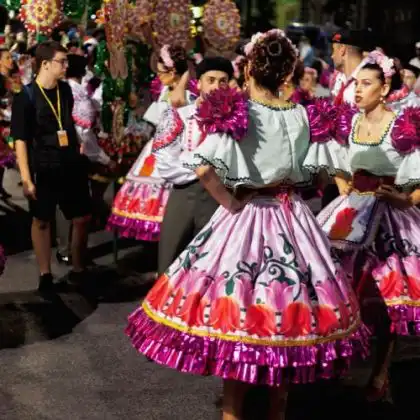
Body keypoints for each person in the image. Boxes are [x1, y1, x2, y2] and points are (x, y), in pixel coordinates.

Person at [126, 29, 369, 420]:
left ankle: (233, 412)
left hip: (247, 217)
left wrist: (231, 202)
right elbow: (323, 175)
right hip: (293, 220)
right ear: (288, 71)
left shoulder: (239, 112)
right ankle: (275, 412)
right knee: (287, 326)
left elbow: (203, 167)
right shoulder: (304, 114)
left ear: (252, 68)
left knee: (237, 321)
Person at [304, 50, 420, 401]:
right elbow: (338, 164)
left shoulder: (404, 125)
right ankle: (336, 367)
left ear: (384, 90)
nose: (357, 90)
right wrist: (345, 190)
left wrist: (403, 199)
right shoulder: (349, 122)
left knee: (387, 302)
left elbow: (416, 181)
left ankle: (381, 372)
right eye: (356, 83)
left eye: (366, 84)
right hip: (351, 214)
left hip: (391, 217)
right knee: (336, 291)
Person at [11, 41, 91, 291]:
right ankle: (45, 274)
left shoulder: (65, 90)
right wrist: (26, 178)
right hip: (44, 167)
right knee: (42, 220)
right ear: (45, 64)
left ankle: (78, 267)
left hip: (71, 165)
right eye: (62, 61)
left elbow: (68, 124)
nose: (66, 65)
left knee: (81, 218)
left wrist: (78, 147)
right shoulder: (25, 97)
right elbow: (21, 141)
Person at [154, 56, 234, 275]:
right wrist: (204, 168)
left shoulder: (237, 120)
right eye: (211, 80)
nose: (217, 86)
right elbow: (166, 164)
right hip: (184, 195)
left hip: (219, 199)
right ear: (198, 83)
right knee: (170, 264)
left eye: (223, 80)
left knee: (211, 268)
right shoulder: (179, 116)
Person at [107, 44, 195, 242]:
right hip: (155, 148)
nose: (158, 76)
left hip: (176, 150)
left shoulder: (187, 96)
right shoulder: (165, 90)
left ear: (173, 72)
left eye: (162, 72)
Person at [56, 53, 114, 265]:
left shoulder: (60, 90)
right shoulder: (78, 95)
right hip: (75, 157)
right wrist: (105, 159)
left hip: (58, 155)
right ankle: (75, 256)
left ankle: (66, 249)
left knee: (64, 206)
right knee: (77, 210)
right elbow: (86, 136)